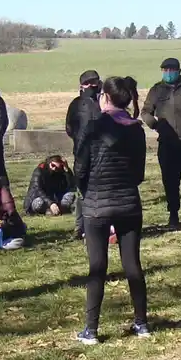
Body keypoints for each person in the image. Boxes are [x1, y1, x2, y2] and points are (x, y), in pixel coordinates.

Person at [71, 75, 149, 343]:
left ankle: (91, 329)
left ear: (105, 97)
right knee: (132, 264)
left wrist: (87, 191)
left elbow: (80, 168)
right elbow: (139, 173)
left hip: (96, 204)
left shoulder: (94, 126)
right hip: (129, 203)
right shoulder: (136, 129)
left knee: (97, 267)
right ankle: (142, 323)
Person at [142, 57, 181, 229]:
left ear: (179, 71)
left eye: (171, 70)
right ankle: (173, 215)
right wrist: (156, 126)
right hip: (168, 143)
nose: (168, 73)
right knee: (170, 182)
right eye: (165, 70)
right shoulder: (156, 90)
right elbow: (146, 112)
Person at [65, 69, 103, 238]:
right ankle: (80, 226)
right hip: (82, 152)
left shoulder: (103, 102)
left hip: (101, 153)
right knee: (82, 190)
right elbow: (69, 127)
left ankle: (93, 226)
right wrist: (79, 139)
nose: (92, 86)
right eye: (88, 83)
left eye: (95, 82)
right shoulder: (76, 104)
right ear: (82, 86)